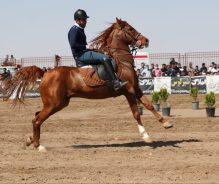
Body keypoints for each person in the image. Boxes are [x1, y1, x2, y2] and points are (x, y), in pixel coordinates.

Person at [68, 9, 128, 91]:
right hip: (80, 55)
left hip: (84, 53)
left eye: (86, 19)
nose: (86, 21)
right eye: (84, 19)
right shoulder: (74, 30)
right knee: (105, 58)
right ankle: (115, 83)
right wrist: (87, 47)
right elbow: (73, 45)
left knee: (103, 54)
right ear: (78, 20)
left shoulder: (79, 29)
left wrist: (94, 49)